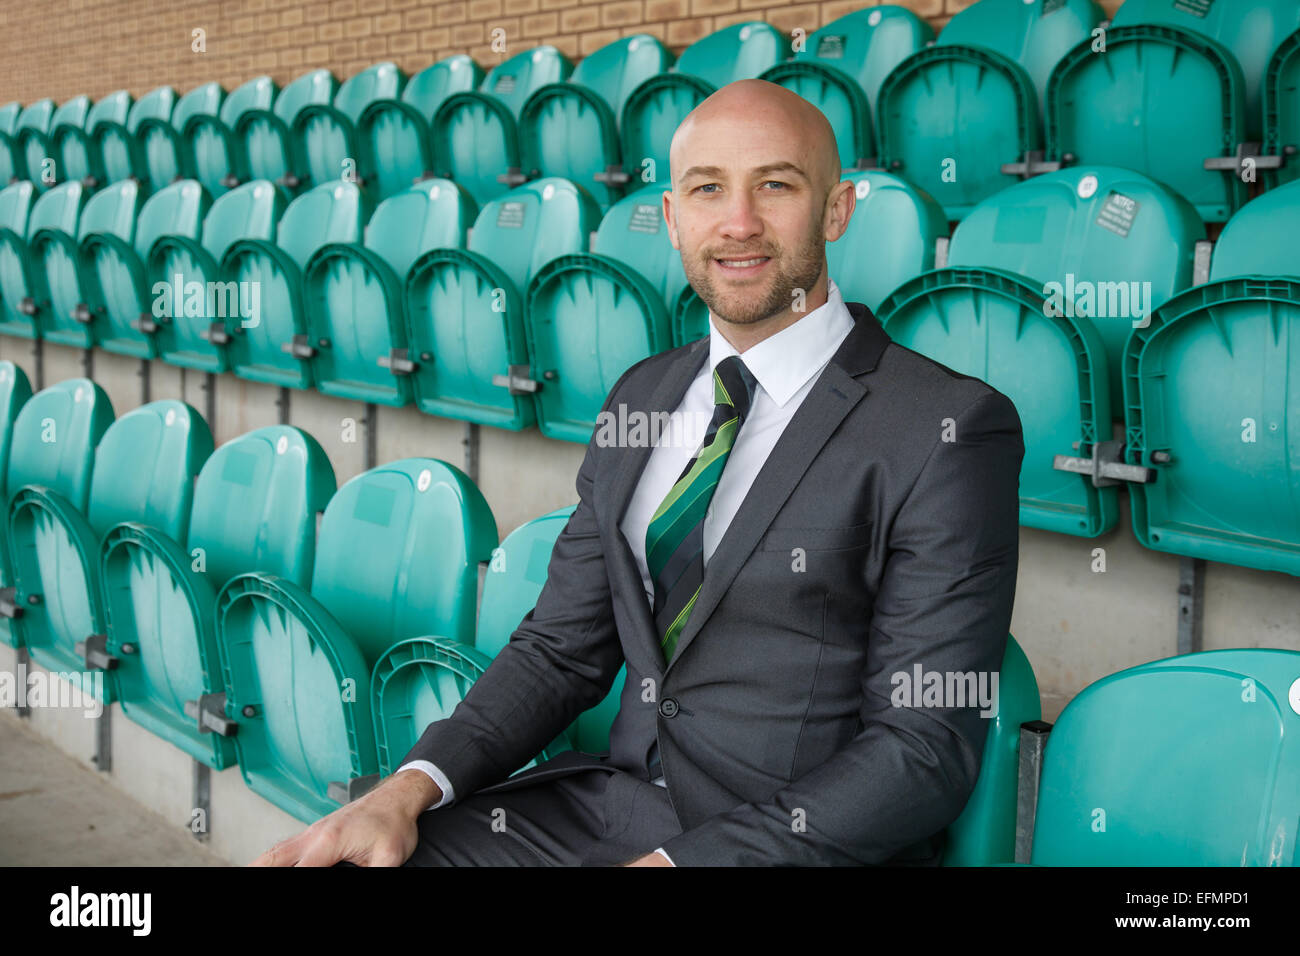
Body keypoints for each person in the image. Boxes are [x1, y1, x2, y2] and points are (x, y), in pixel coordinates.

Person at [253, 78, 1024, 867]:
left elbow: (922, 747)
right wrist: (409, 788)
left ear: (837, 210)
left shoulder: (947, 427)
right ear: (672, 218)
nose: (739, 222)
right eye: (707, 189)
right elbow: (560, 649)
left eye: (776, 185)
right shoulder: (642, 396)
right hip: (599, 815)